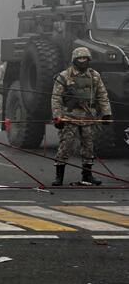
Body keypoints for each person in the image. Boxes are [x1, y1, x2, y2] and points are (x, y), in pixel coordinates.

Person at [50, 47, 111, 186]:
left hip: (88, 116)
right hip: (69, 116)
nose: (82, 61)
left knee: (88, 146)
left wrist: (106, 113)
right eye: (80, 59)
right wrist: (57, 117)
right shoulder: (64, 76)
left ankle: (87, 176)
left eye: (85, 59)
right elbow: (56, 98)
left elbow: (102, 95)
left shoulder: (94, 76)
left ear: (88, 60)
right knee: (65, 146)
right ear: (74, 60)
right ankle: (59, 176)